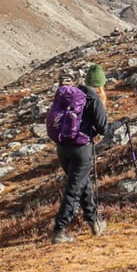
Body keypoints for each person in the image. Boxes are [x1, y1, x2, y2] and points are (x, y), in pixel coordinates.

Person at [52, 64, 109, 244]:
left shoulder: (72, 96)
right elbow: (103, 128)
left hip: (62, 148)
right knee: (74, 189)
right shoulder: (94, 98)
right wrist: (119, 123)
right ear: (100, 84)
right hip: (81, 149)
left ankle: (94, 223)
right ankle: (59, 231)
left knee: (83, 185)